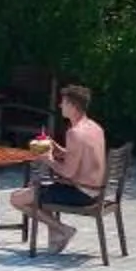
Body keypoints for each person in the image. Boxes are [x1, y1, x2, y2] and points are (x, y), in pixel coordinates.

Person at [13, 84, 105, 254]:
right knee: (39, 187)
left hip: (82, 194)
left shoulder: (75, 133)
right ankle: (56, 237)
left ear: (72, 106)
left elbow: (68, 172)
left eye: (63, 102)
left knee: (17, 199)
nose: (60, 106)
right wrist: (58, 150)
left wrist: (47, 159)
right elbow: (80, 157)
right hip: (94, 191)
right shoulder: (94, 127)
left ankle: (63, 230)